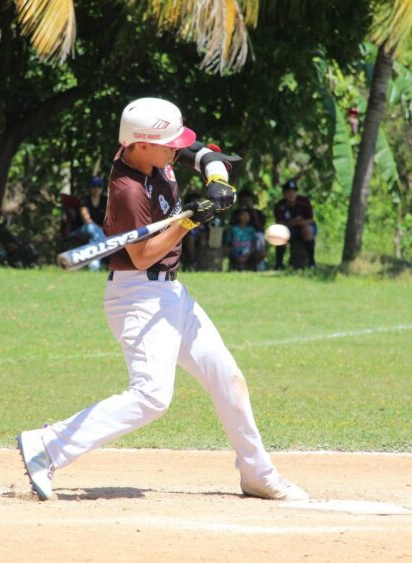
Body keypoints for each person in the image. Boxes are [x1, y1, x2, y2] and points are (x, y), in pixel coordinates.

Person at [16, 97, 308, 503]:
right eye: (167, 143)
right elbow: (142, 254)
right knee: (152, 397)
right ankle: (47, 445)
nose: (175, 149)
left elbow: (201, 152)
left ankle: (257, 473)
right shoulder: (127, 192)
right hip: (138, 295)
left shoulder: (155, 155)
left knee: (227, 377)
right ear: (140, 143)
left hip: (172, 293)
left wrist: (217, 181)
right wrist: (190, 220)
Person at [274, 179, 317, 269]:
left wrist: (301, 222)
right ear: (284, 193)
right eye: (288, 192)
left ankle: (312, 262)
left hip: (305, 227)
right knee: (280, 233)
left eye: (293, 192)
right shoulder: (280, 205)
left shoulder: (304, 202)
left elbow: (310, 219)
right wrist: (291, 222)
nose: (291, 195)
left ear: (296, 193)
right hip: (290, 228)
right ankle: (279, 264)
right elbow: (279, 223)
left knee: (306, 229)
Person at [68, 176, 108, 270]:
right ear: (90, 187)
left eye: (99, 186)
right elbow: (86, 219)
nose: (96, 189)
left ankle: (94, 263)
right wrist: (101, 230)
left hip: (98, 232)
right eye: (94, 186)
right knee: (92, 229)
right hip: (81, 230)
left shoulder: (105, 201)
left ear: (102, 188)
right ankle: (95, 262)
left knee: (96, 237)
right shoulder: (84, 200)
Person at [231, 188, 266, 270]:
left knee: (260, 238)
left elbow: (260, 227)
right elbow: (233, 227)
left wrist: (252, 210)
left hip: (254, 236)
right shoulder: (236, 213)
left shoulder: (258, 213)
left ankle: (258, 266)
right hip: (239, 238)